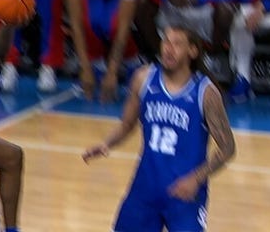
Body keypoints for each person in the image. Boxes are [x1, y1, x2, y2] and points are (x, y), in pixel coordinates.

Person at [83, 26, 236, 232]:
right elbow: (127, 124)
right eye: (166, 42)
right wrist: (106, 143)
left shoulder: (206, 93)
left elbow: (228, 148)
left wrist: (196, 179)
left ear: (192, 51)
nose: (169, 49)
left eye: (177, 44)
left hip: (185, 194)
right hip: (145, 188)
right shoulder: (143, 79)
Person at [64, 0, 149, 102]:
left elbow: (125, 25)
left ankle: (132, 62)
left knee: (114, 25)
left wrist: (112, 72)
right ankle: (96, 65)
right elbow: (75, 22)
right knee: (90, 21)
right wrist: (85, 66)